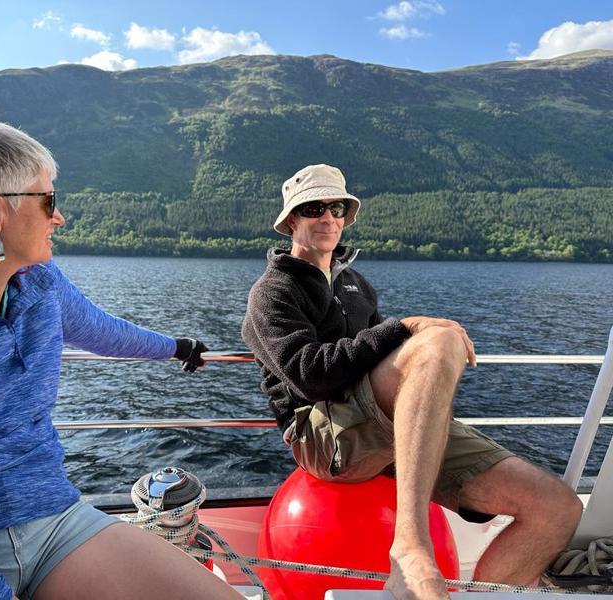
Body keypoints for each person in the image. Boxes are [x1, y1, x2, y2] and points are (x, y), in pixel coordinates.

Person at [0, 120, 242, 600]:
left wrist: (176, 346)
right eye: (48, 201)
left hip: (53, 524)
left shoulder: (39, 282)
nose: (60, 218)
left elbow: (103, 331)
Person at [241, 164, 583, 600]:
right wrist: (406, 328)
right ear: (292, 220)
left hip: (379, 424)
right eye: (313, 208)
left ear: (346, 216)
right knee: (437, 340)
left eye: (336, 206)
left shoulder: (355, 284)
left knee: (557, 508)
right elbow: (310, 376)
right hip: (324, 435)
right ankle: (410, 545)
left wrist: (409, 340)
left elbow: (381, 357)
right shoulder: (273, 291)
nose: (326, 217)